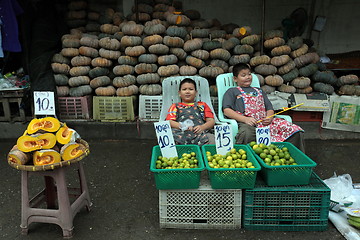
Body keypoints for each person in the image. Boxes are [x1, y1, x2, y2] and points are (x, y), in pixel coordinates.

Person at [222, 63, 305, 152]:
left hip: (265, 122)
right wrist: (245, 119)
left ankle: (295, 158)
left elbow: (269, 108)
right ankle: (251, 159)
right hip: (247, 123)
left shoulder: (259, 91)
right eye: (243, 75)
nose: (248, 77)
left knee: (295, 131)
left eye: (249, 74)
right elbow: (226, 110)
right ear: (235, 79)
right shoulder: (232, 91)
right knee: (247, 133)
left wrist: (269, 117)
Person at [166, 78, 215, 146]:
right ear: (179, 93)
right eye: (184, 89)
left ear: (196, 92)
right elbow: (169, 122)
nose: (187, 92)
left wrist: (202, 127)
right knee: (168, 137)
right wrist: (183, 126)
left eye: (191, 89)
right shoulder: (175, 106)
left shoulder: (202, 105)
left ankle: (203, 154)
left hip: (200, 133)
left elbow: (211, 121)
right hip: (181, 133)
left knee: (212, 139)